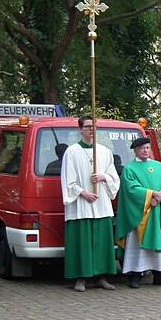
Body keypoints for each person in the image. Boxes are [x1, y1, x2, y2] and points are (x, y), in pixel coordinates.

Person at [61, 117, 120, 292]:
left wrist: (103, 177)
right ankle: (81, 277)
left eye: (94, 127)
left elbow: (114, 177)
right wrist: (83, 192)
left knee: (102, 242)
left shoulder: (104, 151)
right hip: (81, 204)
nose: (91, 130)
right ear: (80, 130)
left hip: (101, 203)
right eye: (87, 127)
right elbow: (67, 180)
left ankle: (102, 276)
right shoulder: (72, 152)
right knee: (82, 242)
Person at [115, 137, 161, 288]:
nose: (145, 150)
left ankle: (160, 274)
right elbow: (131, 190)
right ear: (135, 150)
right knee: (136, 243)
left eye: (147, 148)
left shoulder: (159, 166)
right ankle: (135, 275)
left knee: (158, 243)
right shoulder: (130, 168)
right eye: (142, 148)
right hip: (140, 214)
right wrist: (150, 196)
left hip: (157, 211)